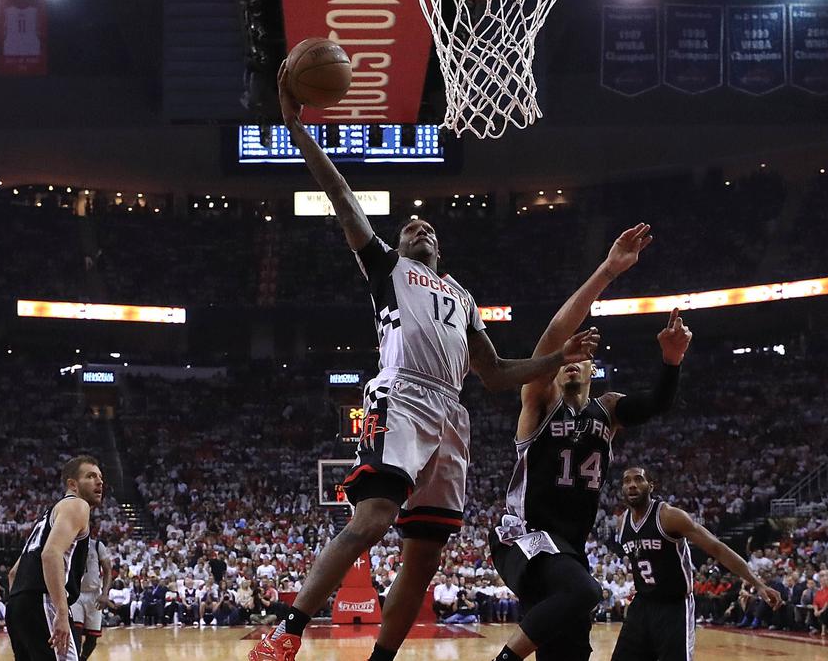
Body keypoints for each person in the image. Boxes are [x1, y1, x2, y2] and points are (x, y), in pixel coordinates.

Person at [249, 66, 601, 661]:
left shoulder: (463, 296)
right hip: (403, 396)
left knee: (425, 556)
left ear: (439, 247)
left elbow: (494, 374)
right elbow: (341, 196)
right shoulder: (387, 266)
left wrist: (556, 357)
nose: (420, 228)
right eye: (411, 226)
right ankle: (288, 630)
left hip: (452, 413)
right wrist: (296, 130)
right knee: (373, 517)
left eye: (428, 227)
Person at [489, 225, 688, 661]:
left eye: (580, 358)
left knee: (569, 649)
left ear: (592, 368)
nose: (571, 362)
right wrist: (607, 272)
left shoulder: (608, 410)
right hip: (525, 537)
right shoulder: (540, 400)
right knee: (586, 592)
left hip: (568, 548)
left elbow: (657, 403)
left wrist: (671, 362)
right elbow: (552, 335)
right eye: (566, 358)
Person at [611, 467, 783, 661]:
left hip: (674, 606)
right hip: (642, 604)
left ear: (650, 486)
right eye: (627, 481)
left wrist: (758, 584)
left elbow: (718, 548)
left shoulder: (669, 516)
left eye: (638, 479)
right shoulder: (622, 522)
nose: (632, 485)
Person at [7, 456, 103, 661]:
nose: (99, 482)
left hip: (17, 604)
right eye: (91, 476)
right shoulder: (77, 505)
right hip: (43, 601)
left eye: (100, 477)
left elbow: (13, 573)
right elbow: (51, 554)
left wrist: (21, 610)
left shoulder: (48, 516)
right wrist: (60, 611)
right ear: (72, 484)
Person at [70, 532, 112, 660]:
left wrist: (104, 594)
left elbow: (107, 570)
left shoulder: (97, 545)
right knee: (75, 633)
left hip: (94, 594)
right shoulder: (69, 545)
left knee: (92, 639)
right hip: (75, 594)